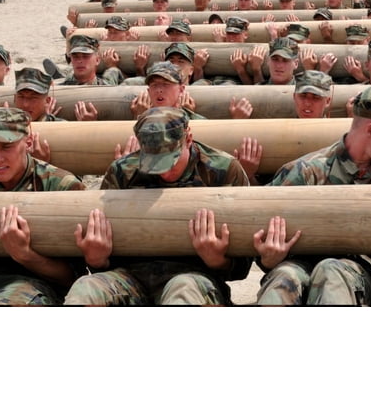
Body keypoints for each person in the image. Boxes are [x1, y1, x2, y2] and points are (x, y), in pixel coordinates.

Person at [253, 86, 371, 305]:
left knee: (331, 271)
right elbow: (260, 235)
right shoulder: (306, 172)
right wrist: (268, 259)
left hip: (356, 273)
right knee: (284, 277)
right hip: (299, 265)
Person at [63, 106, 252, 306]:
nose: (164, 172)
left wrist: (217, 260)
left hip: (193, 276)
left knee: (183, 291)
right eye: (153, 162)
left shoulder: (223, 169)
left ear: (188, 138)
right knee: (86, 288)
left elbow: (242, 268)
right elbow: (104, 259)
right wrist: (97, 260)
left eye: (170, 160)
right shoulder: (123, 171)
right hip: (131, 276)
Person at [0, 107, 87, 305]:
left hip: (30, 285)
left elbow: (72, 278)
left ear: (28, 142)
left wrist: (24, 255)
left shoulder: (62, 186)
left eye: (6, 147)